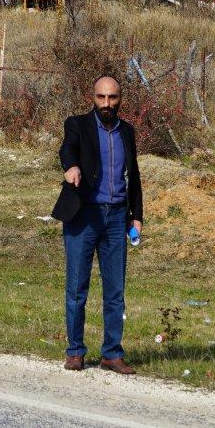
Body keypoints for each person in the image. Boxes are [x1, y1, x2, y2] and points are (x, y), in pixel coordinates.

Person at [51, 75, 143, 374]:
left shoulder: (127, 131)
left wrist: (137, 216)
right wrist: (71, 166)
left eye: (112, 98)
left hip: (117, 218)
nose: (107, 103)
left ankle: (112, 354)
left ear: (120, 99)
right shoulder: (77, 124)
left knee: (115, 290)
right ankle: (75, 351)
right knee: (77, 288)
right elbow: (67, 149)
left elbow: (135, 176)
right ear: (93, 97)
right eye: (101, 97)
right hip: (84, 216)